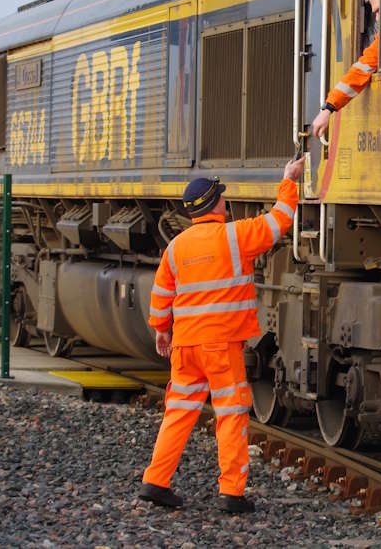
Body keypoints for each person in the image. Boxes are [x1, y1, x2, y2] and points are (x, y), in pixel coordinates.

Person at [137, 154, 304, 513]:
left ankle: (155, 481)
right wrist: (290, 180)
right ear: (216, 204)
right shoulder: (235, 236)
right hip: (221, 346)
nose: (226, 202)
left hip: (185, 346)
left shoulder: (176, 247)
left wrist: (161, 331)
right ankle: (232, 492)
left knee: (178, 412)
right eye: (222, 197)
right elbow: (278, 222)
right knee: (230, 413)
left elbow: (161, 292)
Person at [311, 0, 380, 139]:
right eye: (374, 13)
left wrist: (328, 108)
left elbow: (360, 71)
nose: (376, 18)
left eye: (378, 11)